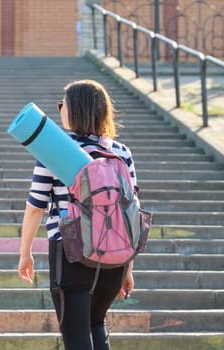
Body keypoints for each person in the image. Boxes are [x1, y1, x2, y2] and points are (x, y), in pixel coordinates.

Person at [17, 79, 136, 350]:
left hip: (71, 249)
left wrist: (25, 253)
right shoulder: (120, 152)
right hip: (115, 254)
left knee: (76, 336)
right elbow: (130, 212)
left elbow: (36, 205)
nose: (60, 110)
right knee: (96, 324)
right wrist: (128, 267)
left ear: (74, 110)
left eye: (63, 105)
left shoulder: (53, 149)